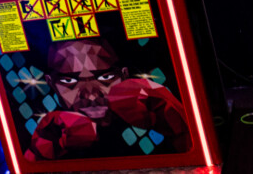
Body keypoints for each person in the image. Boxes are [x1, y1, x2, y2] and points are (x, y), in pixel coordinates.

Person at [25, 37, 189, 161]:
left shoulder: (148, 120)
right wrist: (37, 153)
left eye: (106, 77)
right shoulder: (54, 133)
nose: (90, 94)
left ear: (123, 76)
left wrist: (180, 127)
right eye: (69, 81)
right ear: (51, 83)